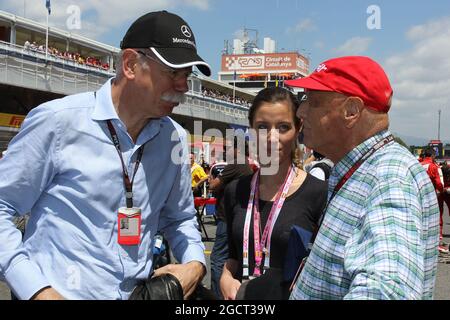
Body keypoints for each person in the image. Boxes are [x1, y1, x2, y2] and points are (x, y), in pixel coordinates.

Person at [0, 10, 212, 300]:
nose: (183, 87)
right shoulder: (58, 122)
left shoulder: (174, 137)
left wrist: (196, 265)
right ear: (130, 64)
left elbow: (180, 218)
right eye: (173, 72)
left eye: (187, 75)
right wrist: (37, 291)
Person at [285, 56, 439, 300]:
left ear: (351, 111)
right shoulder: (364, 167)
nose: (301, 111)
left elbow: (387, 290)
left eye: (312, 101)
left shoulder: (390, 176)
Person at [219, 87, 327, 300]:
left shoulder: (318, 193)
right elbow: (233, 257)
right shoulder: (235, 191)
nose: (271, 137)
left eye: (283, 127)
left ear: (298, 129)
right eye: (262, 127)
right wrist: (225, 277)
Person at [208, 137, 253, 299]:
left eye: (228, 148)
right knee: (233, 260)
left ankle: (218, 296)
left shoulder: (236, 164)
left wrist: (211, 178)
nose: (226, 151)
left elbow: (213, 186)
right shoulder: (244, 164)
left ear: (238, 149)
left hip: (227, 219)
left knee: (217, 260)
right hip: (235, 218)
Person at [420, 148, 445, 249]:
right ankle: (437, 238)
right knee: (435, 216)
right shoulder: (433, 166)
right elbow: (438, 183)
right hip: (431, 195)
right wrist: (441, 190)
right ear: (433, 156)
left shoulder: (418, 164)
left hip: (419, 194)